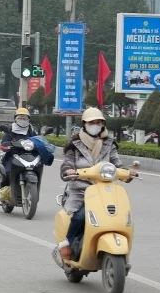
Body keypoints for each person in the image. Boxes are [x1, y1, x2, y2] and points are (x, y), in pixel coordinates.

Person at [57, 107, 137, 260]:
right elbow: (67, 163)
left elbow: (116, 164)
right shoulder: (74, 144)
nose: (95, 125)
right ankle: (68, 242)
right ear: (84, 124)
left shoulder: (109, 143)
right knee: (80, 216)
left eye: (98, 122)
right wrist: (68, 170)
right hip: (80, 190)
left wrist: (127, 172)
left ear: (103, 124)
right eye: (91, 122)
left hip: (105, 190)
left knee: (117, 215)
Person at [0, 108, 38, 190]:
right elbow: (4, 142)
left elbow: (38, 140)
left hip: (29, 156)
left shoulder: (31, 130)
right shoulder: (11, 129)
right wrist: (7, 145)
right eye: (20, 118)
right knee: (7, 173)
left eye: (24, 118)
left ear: (28, 119)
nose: (22, 120)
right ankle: (2, 188)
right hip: (13, 155)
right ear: (15, 119)